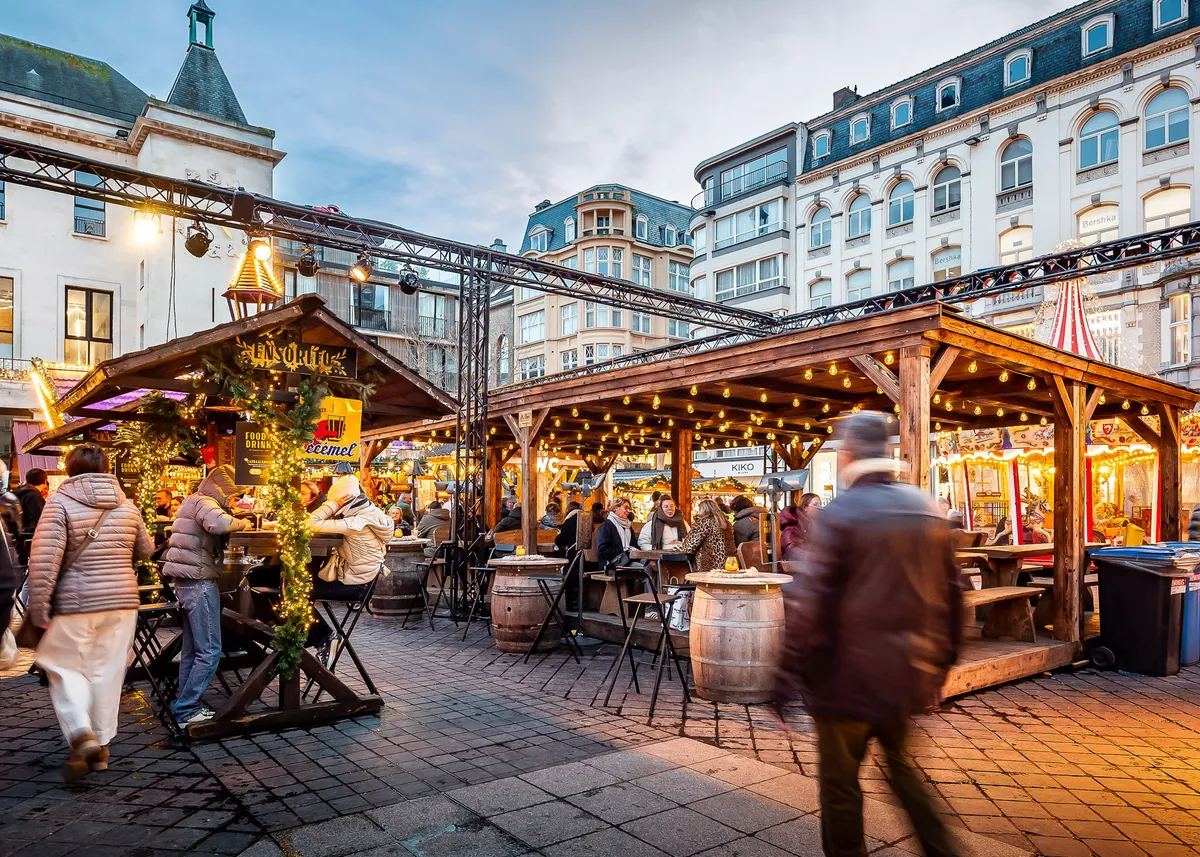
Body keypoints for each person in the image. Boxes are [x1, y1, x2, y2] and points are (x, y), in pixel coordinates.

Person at [779, 412, 962, 857]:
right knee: (903, 772)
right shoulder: (924, 507)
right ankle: (943, 850)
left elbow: (811, 607)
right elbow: (954, 598)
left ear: (846, 454)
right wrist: (941, 666)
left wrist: (782, 681)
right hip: (904, 674)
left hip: (845, 680)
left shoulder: (840, 515)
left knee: (841, 787)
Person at [26, 444, 154, 782]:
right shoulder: (127, 505)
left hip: (75, 605)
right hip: (122, 603)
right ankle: (102, 748)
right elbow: (145, 550)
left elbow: (43, 562)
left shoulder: (58, 504)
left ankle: (82, 735)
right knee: (106, 674)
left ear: (70, 469)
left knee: (64, 668)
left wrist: (38, 609)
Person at [160, 465, 251, 727]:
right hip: (198, 580)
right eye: (234, 496)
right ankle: (187, 710)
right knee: (210, 650)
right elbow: (218, 523)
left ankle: (183, 703)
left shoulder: (193, 500)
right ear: (224, 489)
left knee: (193, 649)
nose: (233, 501)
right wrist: (244, 521)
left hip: (186, 580)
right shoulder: (205, 502)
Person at [308, 475, 392, 649]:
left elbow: (309, 523)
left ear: (345, 503)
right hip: (364, 581)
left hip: (357, 586)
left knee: (298, 593)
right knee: (300, 587)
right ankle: (314, 637)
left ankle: (325, 639)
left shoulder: (356, 522)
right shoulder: (371, 513)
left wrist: (332, 504)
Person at [678, 499, 735, 574]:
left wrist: (681, 545)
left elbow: (689, 547)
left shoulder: (704, 523)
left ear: (702, 510)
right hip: (729, 565)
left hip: (707, 568)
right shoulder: (727, 524)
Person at [596, 498, 636, 568]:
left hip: (629, 560)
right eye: (626, 508)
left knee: (650, 563)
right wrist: (624, 551)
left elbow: (634, 545)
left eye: (629, 508)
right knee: (644, 569)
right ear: (616, 508)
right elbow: (602, 549)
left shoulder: (628, 526)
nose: (629, 511)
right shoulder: (606, 526)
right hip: (612, 564)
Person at [780, 493, 821, 561]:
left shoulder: (815, 524)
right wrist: (818, 558)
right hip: (795, 568)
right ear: (805, 507)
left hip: (810, 566)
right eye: (815, 505)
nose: (820, 507)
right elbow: (792, 550)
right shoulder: (792, 526)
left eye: (820, 504)